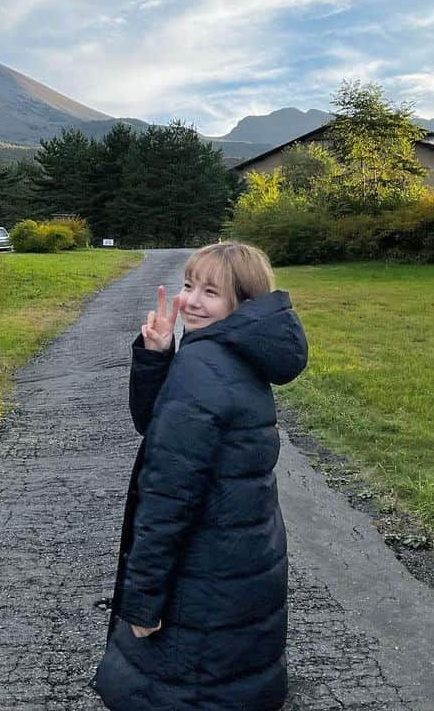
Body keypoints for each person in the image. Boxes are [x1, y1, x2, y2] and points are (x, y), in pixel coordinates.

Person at [92, 241, 309, 710]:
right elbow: (160, 427)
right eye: (189, 285)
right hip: (240, 561)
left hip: (201, 572)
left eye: (210, 292)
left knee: (181, 692)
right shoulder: (234, 355)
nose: (190, 301)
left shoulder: (203, 368)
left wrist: (144, 601)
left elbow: (168, 499)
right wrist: (156, 355)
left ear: (242, 305)